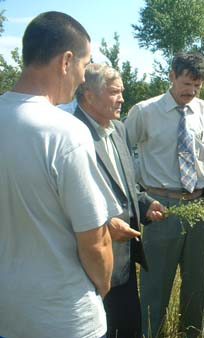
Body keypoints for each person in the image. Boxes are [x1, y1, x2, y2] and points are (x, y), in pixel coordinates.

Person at [0, 12, 122, 338]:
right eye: (84, 66)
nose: (83, 79)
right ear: (66, 61)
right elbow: (94, 242)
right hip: (63, 317)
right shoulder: (65, 132)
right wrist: (103, 286)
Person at [125, 52, 204, 338]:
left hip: (199, 207)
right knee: (154, 287)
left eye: (197, 86)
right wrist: (139, 197)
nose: (191, 91)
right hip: (160, 209)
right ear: (171, 76)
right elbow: (121, 152)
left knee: (198, 286)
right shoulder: (144, 112)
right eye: (186, 83)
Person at [73, 63, 165, 338]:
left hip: (124, 260)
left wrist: (145, 202)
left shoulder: (119, 129)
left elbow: (126, 185)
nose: (122, 98)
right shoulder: (70, 133)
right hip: (88, 264)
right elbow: (62, 199)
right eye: (115, 92)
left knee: (128, 328)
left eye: (122, 91)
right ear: (89, 95)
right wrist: (104, 224)